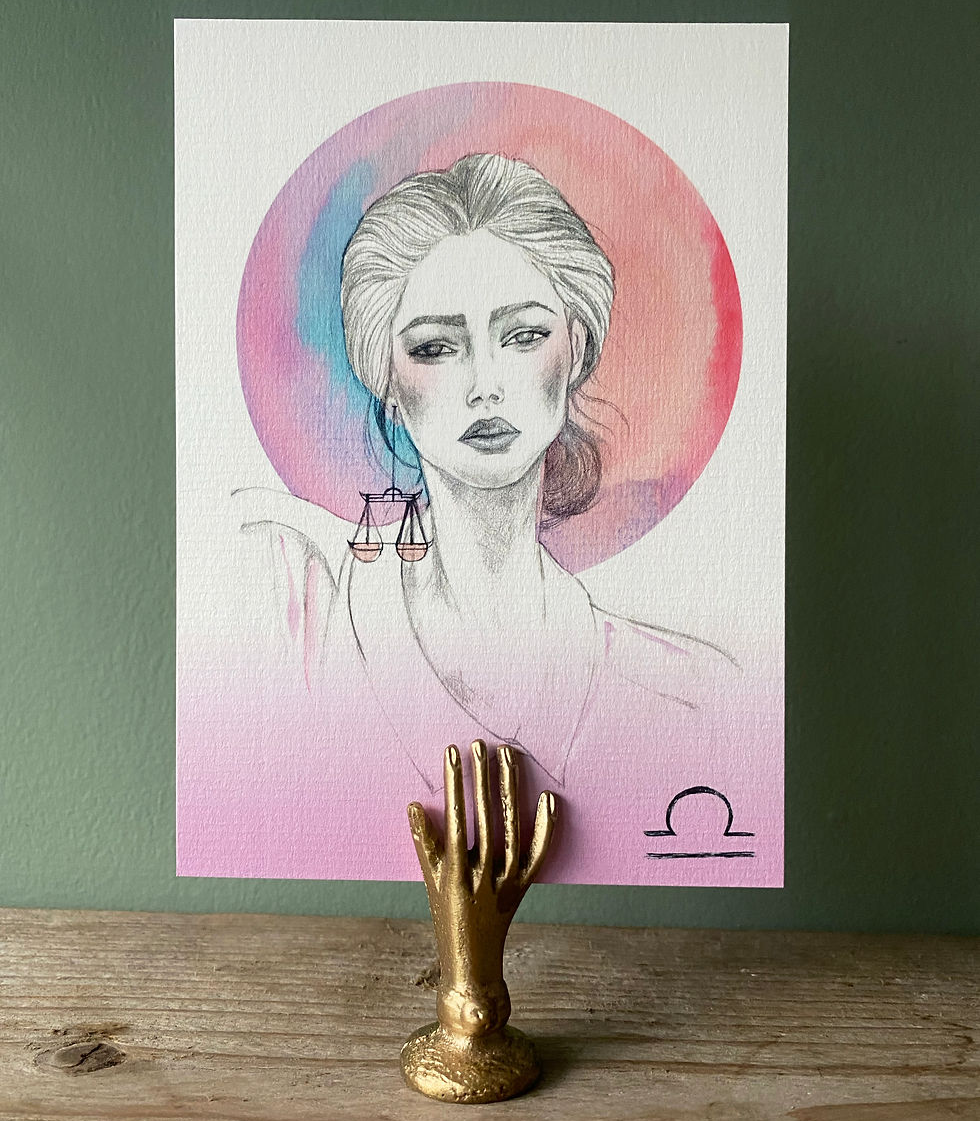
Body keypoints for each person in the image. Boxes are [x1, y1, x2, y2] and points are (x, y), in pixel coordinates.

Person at [235, 153, 738, 801]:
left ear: (576, 350)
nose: (485, 386)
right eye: (435, 348)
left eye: (524, 335)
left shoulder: (690, 691)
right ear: (386, 381)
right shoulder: (298, 591)